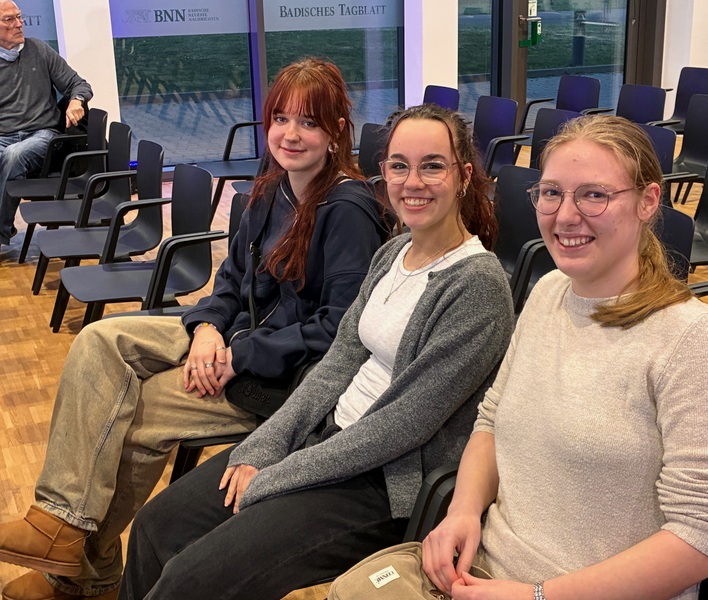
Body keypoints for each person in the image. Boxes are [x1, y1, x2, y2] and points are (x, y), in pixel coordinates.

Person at [0, 58, 391, 600]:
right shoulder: (271, 187)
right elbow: (231, 278)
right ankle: (59, 525)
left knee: (134, 417)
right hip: (231, 340)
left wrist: (239, 354)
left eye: (309, 122)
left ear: (336, 131)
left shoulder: (347, 209)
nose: (291, 134)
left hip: (284, 379)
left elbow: (337, 332)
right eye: (281, 119)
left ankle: (83, 573)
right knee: (99, 340)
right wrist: (208, 329)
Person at [117, 103, 516, 600]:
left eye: (432, 165)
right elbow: (337, 364)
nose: (413, 181)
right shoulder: (393, 253)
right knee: (158, 524)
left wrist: (278, 476)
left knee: (190, 582)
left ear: (464, 176)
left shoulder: (477, 285)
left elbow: (401, 426)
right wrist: (268, 446)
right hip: (325, 440)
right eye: (398, 165)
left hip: (379, 482)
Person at [421, 115, 708, 600]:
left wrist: (537, 596)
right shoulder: (548, 292)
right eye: (552, 193)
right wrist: (462, 512)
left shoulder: (697, 344)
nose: (565, 216)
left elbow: (703, 540)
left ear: (648, 201)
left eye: (594, 195)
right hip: (484, 575)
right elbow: (493, 418)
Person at [0, 0, 92, 247]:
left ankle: (0, 231)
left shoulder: (39, 50)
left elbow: (79, 84)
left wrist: (76, 100)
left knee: (13, 155)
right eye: (9, 20)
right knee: (8, 150)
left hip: (43, 135)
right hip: (4, 135)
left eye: (19, 17)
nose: (19, 24)